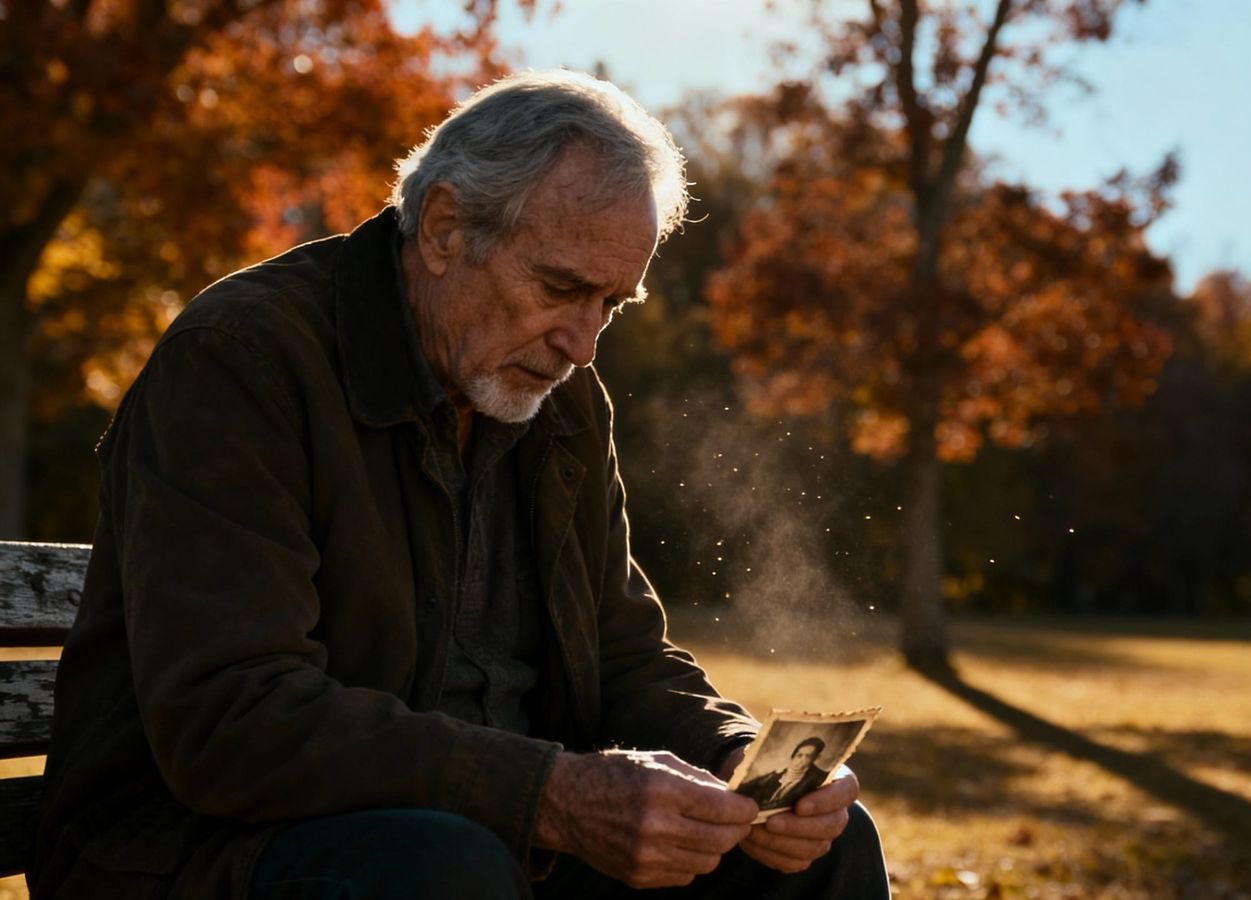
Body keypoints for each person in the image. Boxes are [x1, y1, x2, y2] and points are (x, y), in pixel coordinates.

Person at [30, 70, 891, 900]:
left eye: (611, 305)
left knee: (825, 852)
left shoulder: (562, 400)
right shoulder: (243, 360)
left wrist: (744, 764)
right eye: (561, 288)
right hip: (193, 846)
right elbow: (231, 718)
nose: (583, 344)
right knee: (445, 867)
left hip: (495, 838)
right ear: (444, 228)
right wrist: (548, 793)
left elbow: (623, 655)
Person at [738, 738, 833, 811]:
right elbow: (746, 788)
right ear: (793, 756)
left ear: (815, 758)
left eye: (808, 756)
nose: (802, 760)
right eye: (799, 755)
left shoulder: (819, 777)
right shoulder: (777, 774)